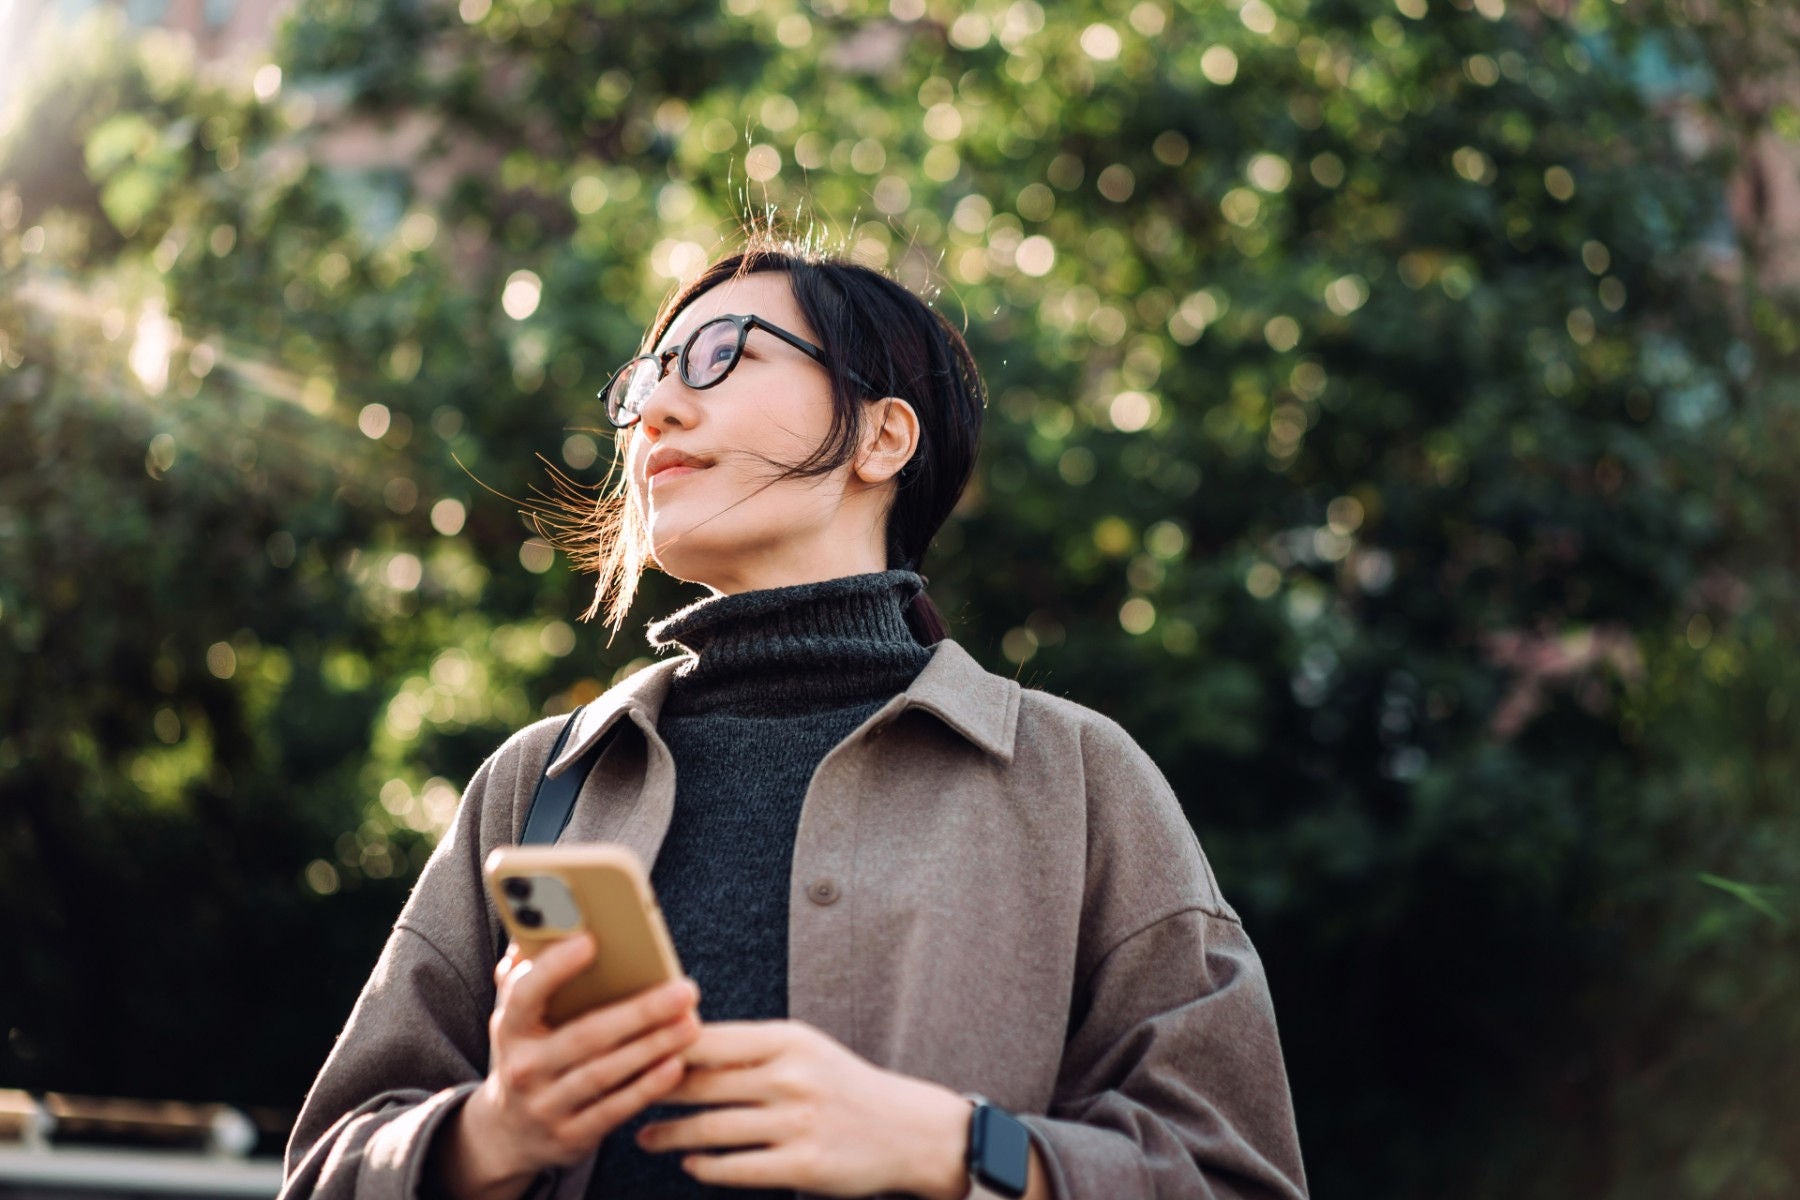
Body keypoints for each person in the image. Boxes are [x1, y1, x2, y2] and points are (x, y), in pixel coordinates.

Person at [280, 240, 1308, 1200]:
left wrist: (951, 1147)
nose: (655, 414)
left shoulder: (1076, 778)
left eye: (720, 355)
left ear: (880, 435)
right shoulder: (537, 781)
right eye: (644, 382)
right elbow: (327, 1162)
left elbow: (1233, 1172)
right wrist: (496, 1132)